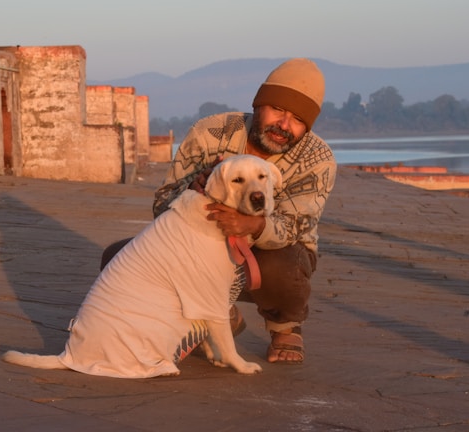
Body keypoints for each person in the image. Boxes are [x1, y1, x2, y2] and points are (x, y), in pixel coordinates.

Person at [102, 58, 337, 365]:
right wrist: (192, 190)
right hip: (201, 246)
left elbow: (296, 226)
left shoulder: (319, 159)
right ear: (258, 105)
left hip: (272, 254)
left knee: (286, 266)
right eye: (278, 109)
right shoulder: (211, 132)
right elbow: (162, 206)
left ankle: (284, 325)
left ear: (307, 127)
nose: (284, 124)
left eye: (296, 119)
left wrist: (250, 225)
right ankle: (218, 315)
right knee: (117, 258)